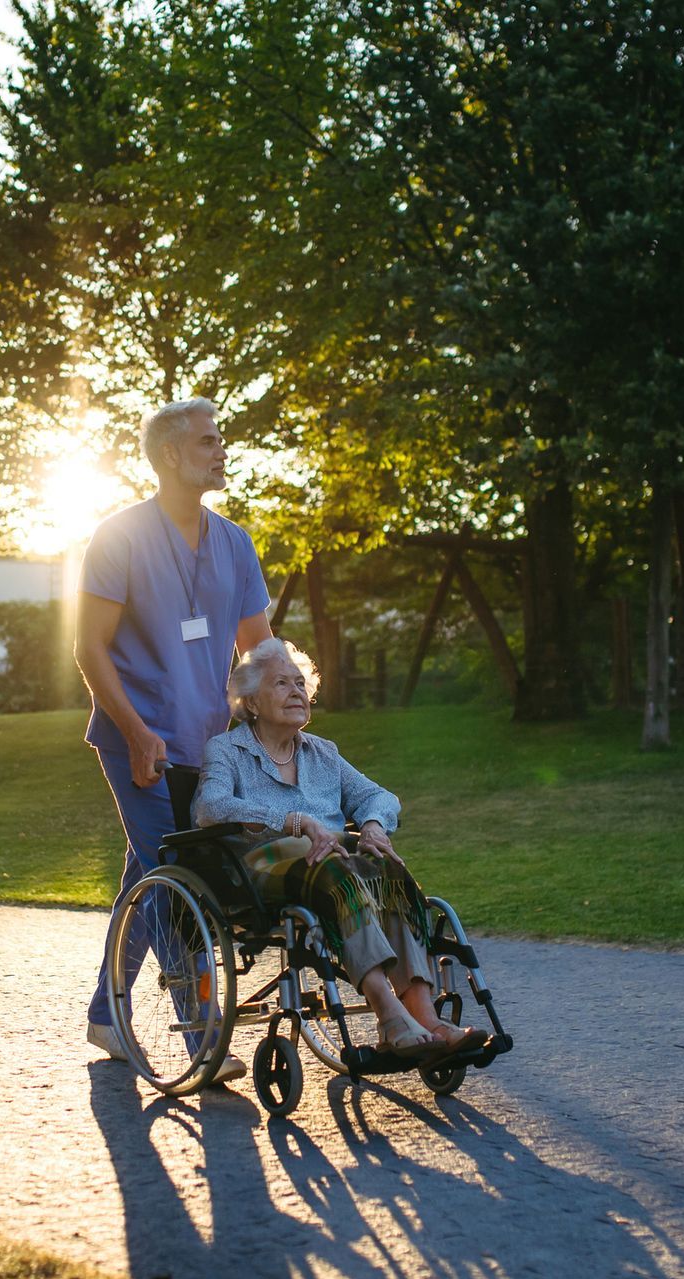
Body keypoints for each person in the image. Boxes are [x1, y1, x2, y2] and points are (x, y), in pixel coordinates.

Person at [79, 398, 272, 1080]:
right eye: (208, 441)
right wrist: (134, 731)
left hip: (208, 743)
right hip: (140, 740)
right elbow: (89, 648)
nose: (223, 451)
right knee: (173, 875)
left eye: (222, 440)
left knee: (150, 869)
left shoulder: (236, 543)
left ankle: (107, 1012)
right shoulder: (119, 537)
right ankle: (202, 1037)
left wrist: (282, 706)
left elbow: (258, 645)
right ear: (170, 456)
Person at [194, 638, 489, 1059]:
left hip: (334, 864)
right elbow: (211, 807)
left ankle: (424, 1014)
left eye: (301, 683)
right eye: (282, 683)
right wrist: (293, 821)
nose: (297, 691)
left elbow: (379, 796)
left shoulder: (323, 754)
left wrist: (371, 826)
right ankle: (388, 1014)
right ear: (253, 702)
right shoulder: (228, 751)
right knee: (336, 871)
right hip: (262, 867)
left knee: (386, 870)